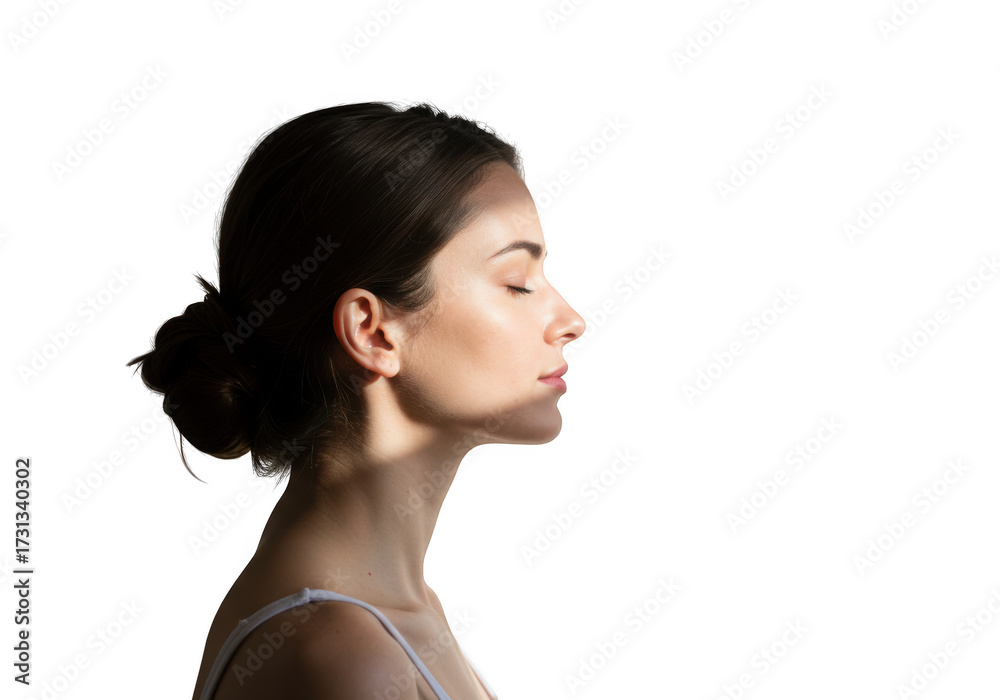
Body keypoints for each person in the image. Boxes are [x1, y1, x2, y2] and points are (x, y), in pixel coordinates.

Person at [128, 101, 586, 699]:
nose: (570, 320)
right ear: (372, 332)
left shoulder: (397, 612)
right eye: (517, 284)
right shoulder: (344, 653)